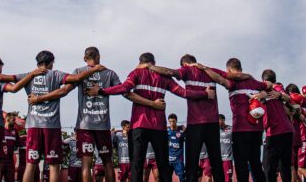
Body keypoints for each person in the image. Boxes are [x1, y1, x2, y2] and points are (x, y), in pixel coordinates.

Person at [85, 52, 213, 182]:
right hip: (159, 127)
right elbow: (183, 92)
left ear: (140, 63)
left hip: (139, 126)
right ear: (154, 63)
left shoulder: (136, 73)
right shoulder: (163, 77)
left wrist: (102, 91)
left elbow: (124, 88)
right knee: (163, 165)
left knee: (136, 164)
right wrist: (204, 94)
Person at [72, 47, 162, 182]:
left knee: (86, 163)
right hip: (102, 125)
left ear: (85, 58)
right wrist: (151, 103)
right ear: (98, 57)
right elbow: (125, 92)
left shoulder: (79, 72)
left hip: (84, 124)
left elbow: (66, 86)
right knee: (108, 161)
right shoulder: (109, 74)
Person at [18, 50, 102, 182]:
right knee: (54, 165)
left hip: (33, 126)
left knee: (31, 164)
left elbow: (6, 79)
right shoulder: (56, 74)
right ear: (51, 62)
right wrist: (95, 69)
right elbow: (75, 79)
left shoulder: (28, 75)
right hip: (51, 126)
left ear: (38, 62)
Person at [145, 55, 225, 182]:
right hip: (213, 123)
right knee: (216, 161)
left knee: (192, 162)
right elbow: (227, 79)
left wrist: (150, 66)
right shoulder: (210, 70)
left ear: (184, 64)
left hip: (195, 122)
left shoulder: (187, 70)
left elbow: (170, 72)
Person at [196, 59, 271, 182]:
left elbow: (219, 79)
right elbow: (269, 85)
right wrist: (263, 93)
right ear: (241, 69)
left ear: (229, 70)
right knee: (256, 164)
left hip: (241, 130)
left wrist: (204, 68)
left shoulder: (233, 83)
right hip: (257, 130)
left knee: (241, 166)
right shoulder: (255, 82)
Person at [258, 70, 293, 182]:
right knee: (284, 166)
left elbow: (287, 98)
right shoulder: (276, 89)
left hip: (275, 131)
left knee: (268, 166)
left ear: (263, 80)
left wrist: (278, 95)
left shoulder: (272, 88)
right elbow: (288, 98)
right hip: (287, 130)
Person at [2, 113, 22, 182]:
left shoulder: (15, 131)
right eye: (13, 119)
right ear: (7, 119)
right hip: (0, 161)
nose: (14, 121)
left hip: (10, 162)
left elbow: (19, 143)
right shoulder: (0, 130)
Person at [166, 115, 185, 182]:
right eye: (170, 121)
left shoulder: (181, 131)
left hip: (179, 160)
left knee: (182, 178)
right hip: (169, 160)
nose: (172, 123)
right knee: (167, 179)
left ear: (176, 121)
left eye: (173, 121)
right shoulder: (166, 132)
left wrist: (184, 129)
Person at [217, 116, 232, 182]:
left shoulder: (230, 129)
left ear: (223, 120)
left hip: (227, 158)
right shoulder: (214, 130)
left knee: (228, 179)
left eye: (219, 120)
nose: (218, 122)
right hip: (217, 159)